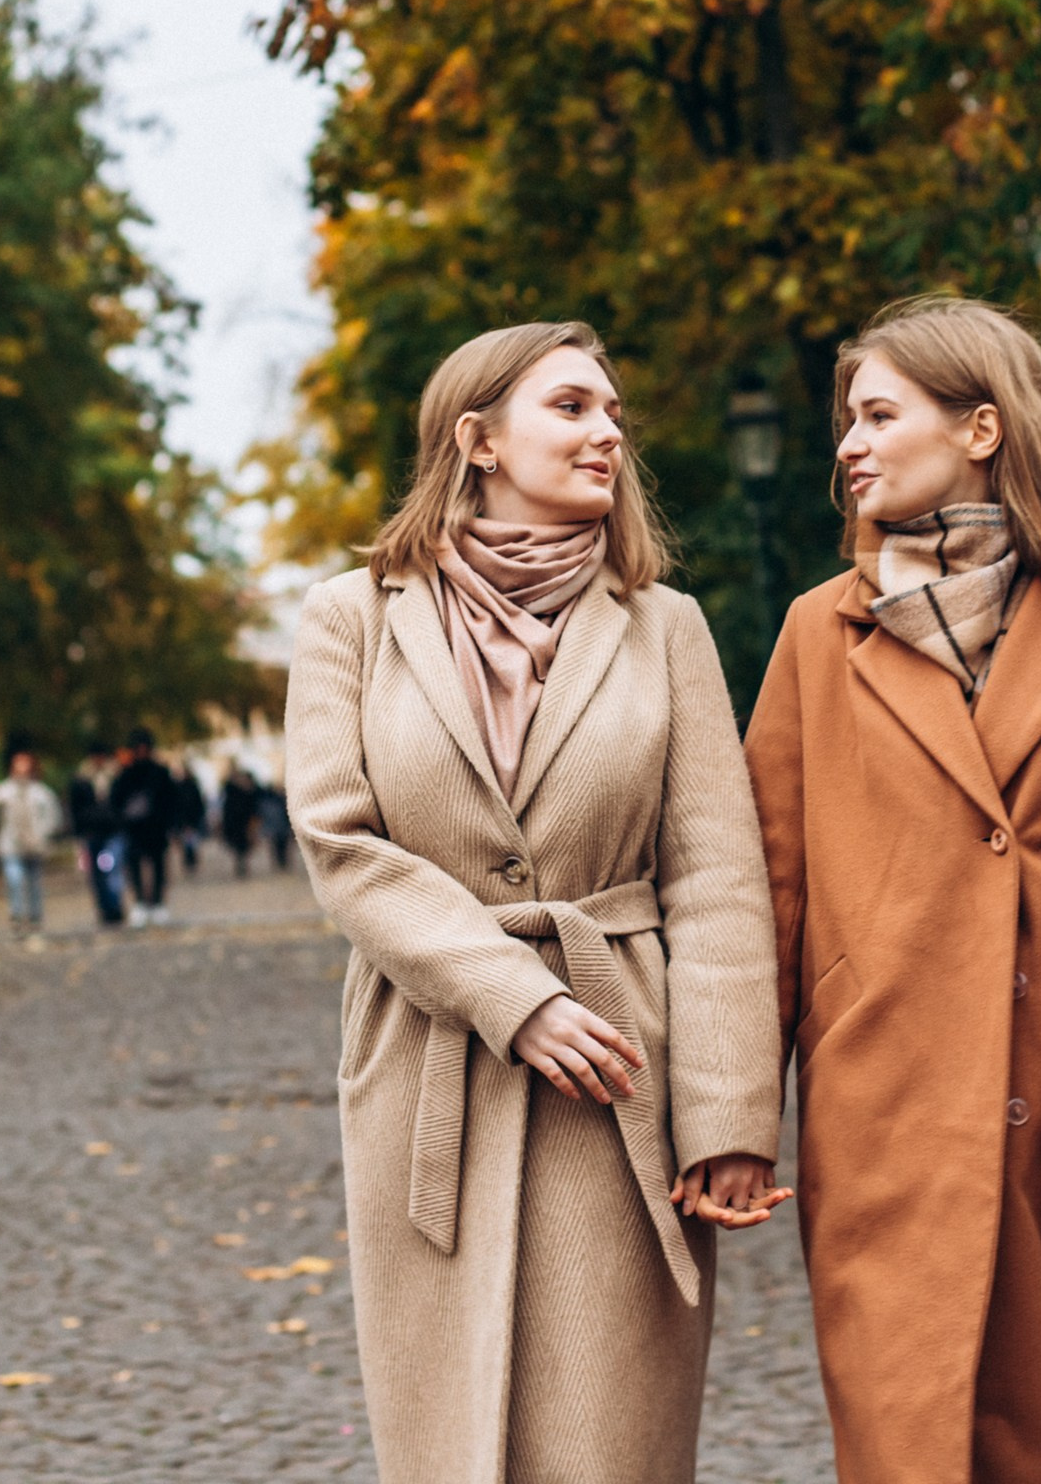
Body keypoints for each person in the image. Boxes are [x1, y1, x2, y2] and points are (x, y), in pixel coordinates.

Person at [286, 320, 784, 1484]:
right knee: (446, 1441)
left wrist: (727, 1120)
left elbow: (716, 880)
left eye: (613, 411)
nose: (609, 430)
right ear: (479, 441)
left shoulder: (665, 627)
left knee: (612, 1442)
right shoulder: (351, 616)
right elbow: (340, 840)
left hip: (623, 1072)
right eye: (571, 407)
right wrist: (513, 996)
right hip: (429, 1067)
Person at [745, 296, 1041, 1484]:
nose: (847, 443)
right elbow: (766, 893)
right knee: (900, 1448)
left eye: (876, 413)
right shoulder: (819, 632)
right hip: (882, 1114)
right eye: (843, 421)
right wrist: (733, 1120)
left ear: (983, 428)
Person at [0, 745, 63, 934]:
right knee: (14, 879)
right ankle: (16, 914)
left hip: (35, 845)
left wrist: (44, 833)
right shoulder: (4, 789)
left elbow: (54, 816)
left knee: (34, 882)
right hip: (10, 844)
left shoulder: (40, 791)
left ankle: (35, 916)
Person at [110, 729, 173, 926]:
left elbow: (171, 799)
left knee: (158, 866)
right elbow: (115, 800)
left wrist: (170, 821)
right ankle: (140, 903)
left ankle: (157, 903)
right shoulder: (125, 774)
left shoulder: (160, 772)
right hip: (134, 830)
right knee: (134, 866)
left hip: (157, 828)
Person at [69, 741, 126, 927]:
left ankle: (115, 905)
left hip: (113, 831)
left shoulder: (115, 776)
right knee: (97, 873)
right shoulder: (81, 778)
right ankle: (106, 907)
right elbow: (75, 808)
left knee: (112, 868)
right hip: (92, 833)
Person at [219, 762, 260, 878]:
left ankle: (242, 864)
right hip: (235, 823)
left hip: (243, 823)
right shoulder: (232, 791)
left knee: (243, 846)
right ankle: (241, 864)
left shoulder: (247, 792)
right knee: (239, 846)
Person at [169, 758, 207, 875]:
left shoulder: (192, 787)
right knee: (187, 844)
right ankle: (188, 862)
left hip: (191, 820)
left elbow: (198, 805)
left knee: (191, 843)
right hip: (184, 820)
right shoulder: (179, 787)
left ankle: (191, 862)